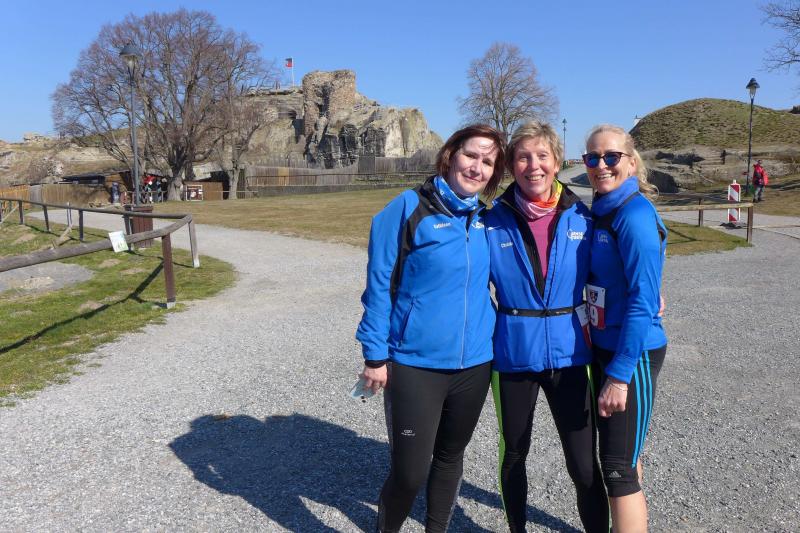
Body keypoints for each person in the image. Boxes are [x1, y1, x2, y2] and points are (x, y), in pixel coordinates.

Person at [355, 124, 506, 533]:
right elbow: (379, 286)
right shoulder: (407, 208)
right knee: (410, 473)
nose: (476, 167)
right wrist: (374, 355)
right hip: (415, 364)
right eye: (471, 155)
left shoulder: (487, 219)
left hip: (475, 364)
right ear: (451, 155)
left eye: (487, 162)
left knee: (450, 458)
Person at [485, 121, 608, 533]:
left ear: (557, 162)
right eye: (523, 157)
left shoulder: (583, 217)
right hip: (513, 357)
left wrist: (648, 294)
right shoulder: (491, 221)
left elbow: (611, 272)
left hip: (572, 355)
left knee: (583, 463)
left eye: (542, 156)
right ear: (511, 165)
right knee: (514, 453)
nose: (533, 165)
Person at [582, 124, 668, 532]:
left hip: (631, 355)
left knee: (617, 467)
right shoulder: (601, 210)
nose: (601, 164)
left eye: (611, 156)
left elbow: (641, 298)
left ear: (631, 163)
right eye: (592, 157)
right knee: (624, 456)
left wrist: (619, 376)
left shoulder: (633, 215)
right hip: (604, 346)